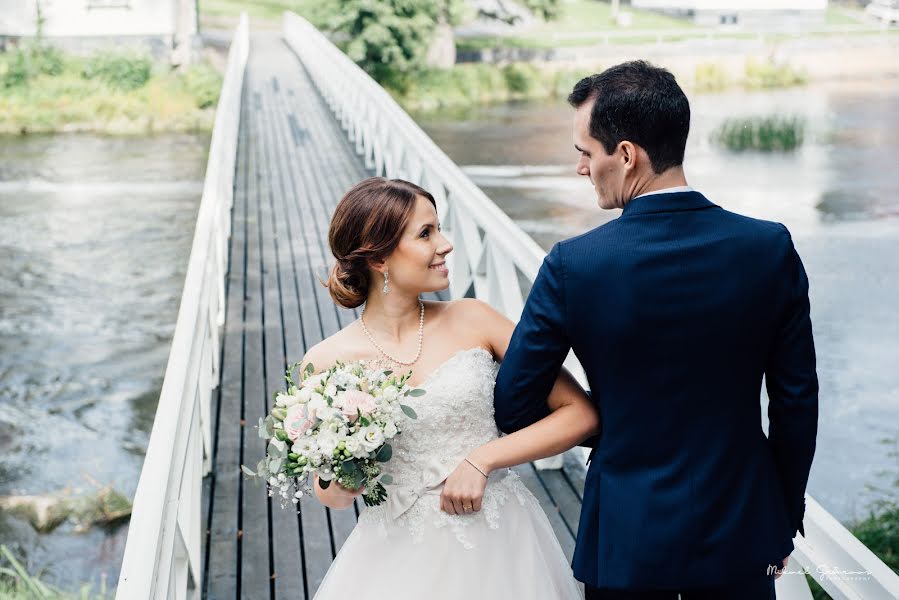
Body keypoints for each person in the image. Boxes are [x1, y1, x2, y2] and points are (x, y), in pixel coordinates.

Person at [493, 60, 819, 600]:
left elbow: (515, 403)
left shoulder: (575, 265)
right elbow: (796, 401)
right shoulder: (769, 248)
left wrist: (607, 423)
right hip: (742, 526)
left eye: (584, 152)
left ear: (625, 155)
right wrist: (780, 513)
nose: (580, 169)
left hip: (626, 533)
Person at [305, 177, 599, 599]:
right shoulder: (326, 360)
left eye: (439, 228)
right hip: (395, 560)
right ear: (379, 257)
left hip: (500, 544)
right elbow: (331, 496)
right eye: (426, 233)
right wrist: (347, 473)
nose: (446, 244)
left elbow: (581, 414)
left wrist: (484, 458)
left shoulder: (473, 318)